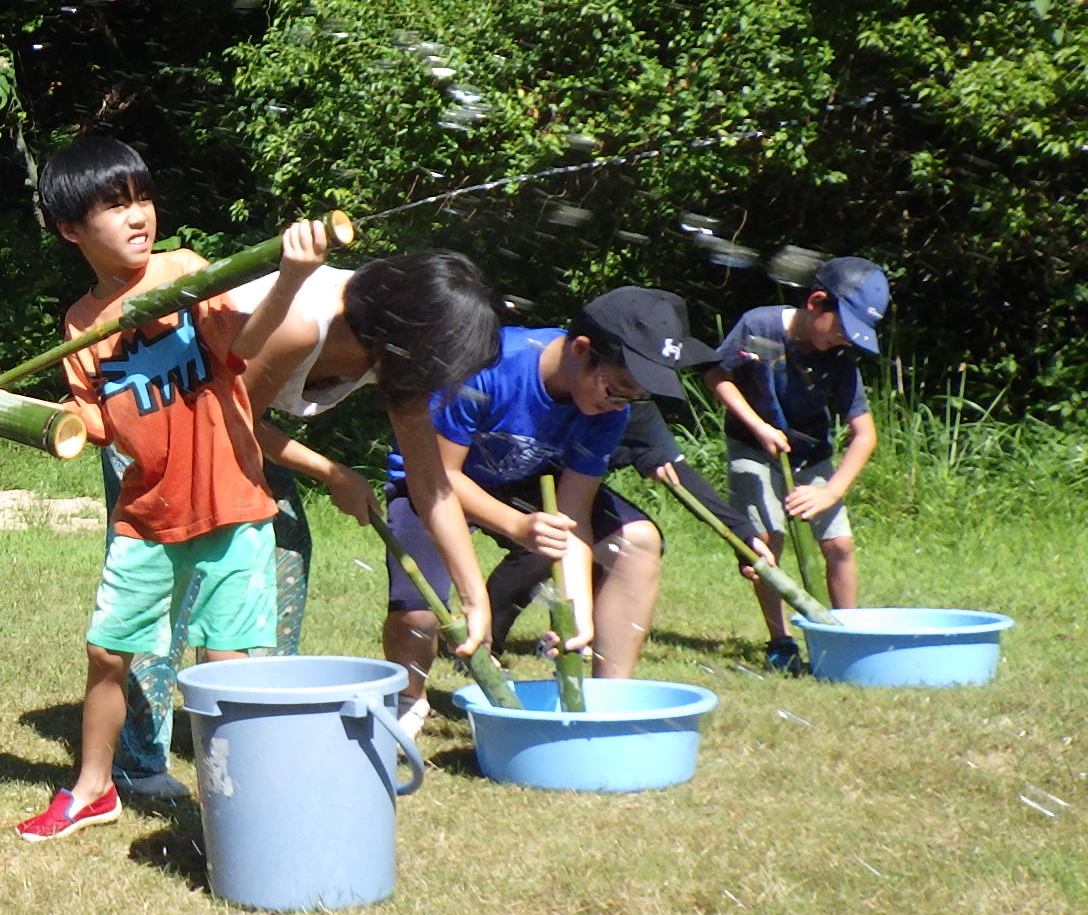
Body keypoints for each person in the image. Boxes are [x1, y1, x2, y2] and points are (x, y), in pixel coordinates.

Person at [109, 246, 506, 797]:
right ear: (404, 340)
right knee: (170, 587)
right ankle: (138, 761)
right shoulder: (301, 323)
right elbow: (225, 419)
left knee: (282, 562)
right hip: (161, 419)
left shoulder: (395, 348)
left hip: (230, 431)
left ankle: (256, 729)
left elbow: (429, 480)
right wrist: (333, 472)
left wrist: (473, 594)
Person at [20, 135, 329, 838]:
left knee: (224, 668)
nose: (137, 217)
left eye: (142, 200)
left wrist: (292, 276)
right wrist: (0, 409)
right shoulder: (79, 324)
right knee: (107, 652)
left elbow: (245, 344)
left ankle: (238, 804)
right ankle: (95, 787)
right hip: (146, 517)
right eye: (113, 207)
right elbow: (95, 419)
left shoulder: (184, 272)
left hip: (233, 509)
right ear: (71, 229)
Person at [378, 288, 717, 721]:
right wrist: (518, 526)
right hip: (433, 481)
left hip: (522, 481)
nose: (621, 404)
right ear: (581, 349)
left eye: (635, 398)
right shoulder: (487, 365)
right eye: (618, 389)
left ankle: (606, 703)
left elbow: (572, 515)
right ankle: (409, 701)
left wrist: (574, 611)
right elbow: (439, 477)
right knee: (419, 615)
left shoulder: (610, 410)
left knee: (637, 542)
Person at [704, 257, 888, 670]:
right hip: (753, 447)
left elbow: (865, 434)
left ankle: (846, 634)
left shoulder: (840, 358)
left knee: (838, 544)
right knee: (766, 542)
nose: (843, 340)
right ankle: (781, 641)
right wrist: (758, 426)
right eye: (841, 328)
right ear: (816, 302)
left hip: (811, 456)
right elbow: (717, 376)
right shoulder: (761, 327)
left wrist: (831, 491)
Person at [479, 400, 757, 651]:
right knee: (542, 548)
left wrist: (742, 533)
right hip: (487, 473)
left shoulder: (634, 405)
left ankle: (583, 637)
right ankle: (484, 640)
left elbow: (678, 473)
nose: (625, 395)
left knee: (627, 540)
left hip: (562, 483)